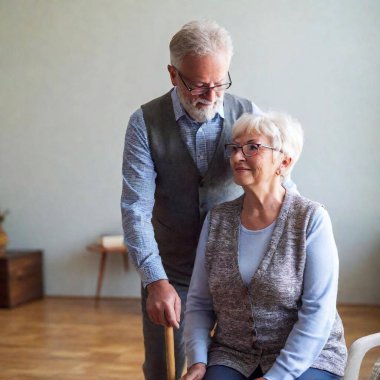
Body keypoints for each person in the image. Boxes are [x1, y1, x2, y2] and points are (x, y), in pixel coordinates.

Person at [120, 19, 269, 379]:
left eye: (219, 83)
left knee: (234, 368)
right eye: (200, 85)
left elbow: (276, 184)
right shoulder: (144, 122)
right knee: (163, 369)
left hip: (238, 268)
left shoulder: (248, 113)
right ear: (174, 75)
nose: (212, 94)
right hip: (174, 271)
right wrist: (156, 281)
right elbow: (136, 209)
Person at [181, 112, 347, 380]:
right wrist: (198, 360)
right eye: (234, 148)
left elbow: (318, 312)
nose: (237, 157)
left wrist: (277, 376)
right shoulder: (218, 220)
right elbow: (200, 303)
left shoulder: (311, 219)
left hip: (309, 358)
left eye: (252, 147)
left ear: (284, 160)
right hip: (233, 354)